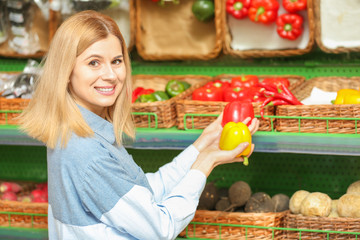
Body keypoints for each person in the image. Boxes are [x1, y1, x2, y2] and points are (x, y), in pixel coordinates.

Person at [19, 10, 259, 240]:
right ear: (66, 71)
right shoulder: (88, 153)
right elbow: (160, 227)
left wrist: (202, 146)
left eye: (116, 61)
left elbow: (145, 192)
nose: (111, 75)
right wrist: (207, 162)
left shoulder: (81, 132)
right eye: (94, 63)